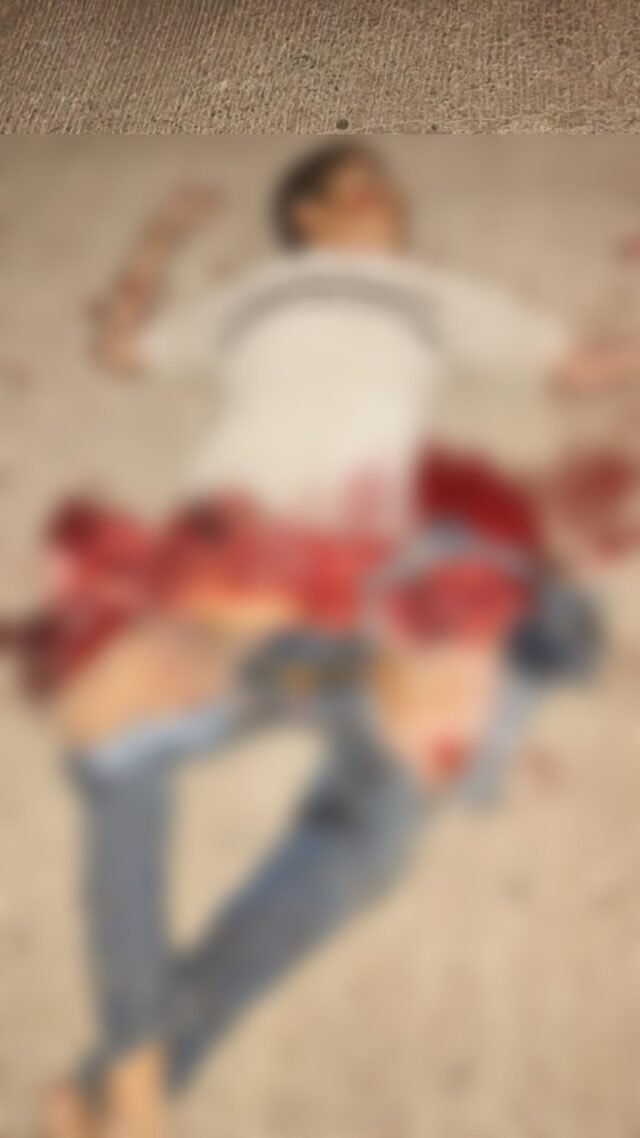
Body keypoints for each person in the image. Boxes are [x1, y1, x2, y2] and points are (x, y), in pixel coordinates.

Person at [41, 142, 635, 1138]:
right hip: (231, 576)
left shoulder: (433, 296)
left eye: (389, 185)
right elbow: (123, 352)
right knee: (120, 751)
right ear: (306, 217)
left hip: (364, 604)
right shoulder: (253, 296)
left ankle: (116, 1082)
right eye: (360, 184)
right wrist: (156, 240)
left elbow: (577, 365)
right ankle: (136, 1079)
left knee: (375, 838)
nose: (387, 194)